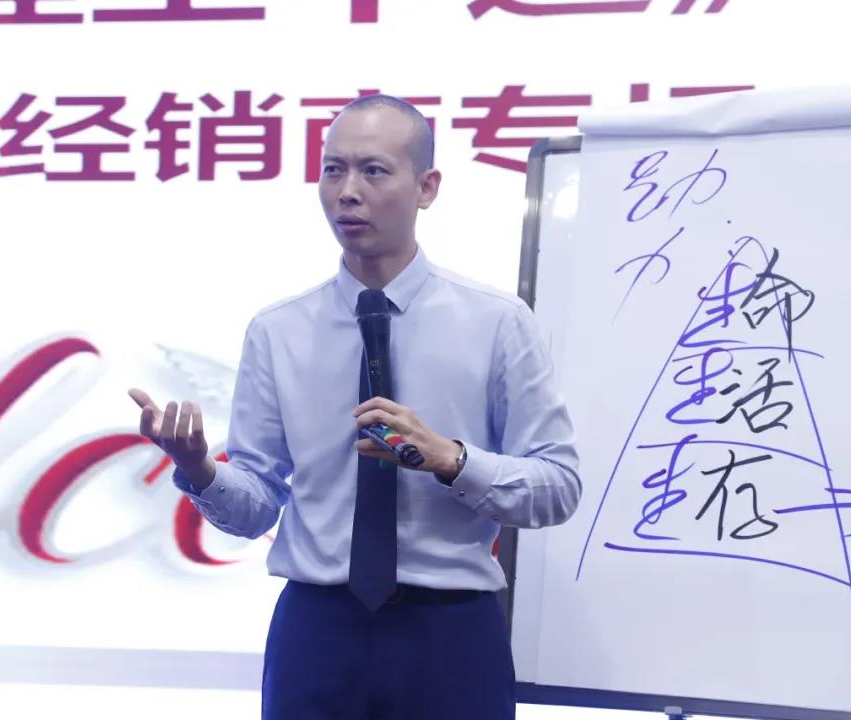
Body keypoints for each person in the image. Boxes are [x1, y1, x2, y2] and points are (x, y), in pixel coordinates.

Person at [129, 94, 581, 720]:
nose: (347, 192)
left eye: (373, 171)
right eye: (332, 170)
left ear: (427, 187)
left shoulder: (498, 323)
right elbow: (257, 505)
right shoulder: (278, 331)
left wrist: (451, 460)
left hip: (450, 632)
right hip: (317, 630)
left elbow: (558, 487)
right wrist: (199, 470)